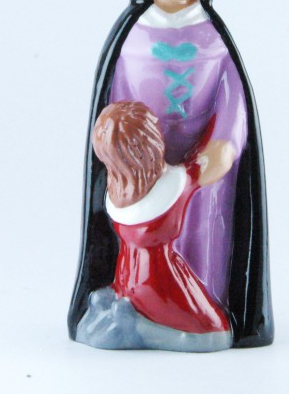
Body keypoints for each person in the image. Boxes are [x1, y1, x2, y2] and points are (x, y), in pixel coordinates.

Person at [69, 0, 274, 349]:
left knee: (202, 245)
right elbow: (115, 103)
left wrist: (222, 145)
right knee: (142, 249)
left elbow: (232, 99)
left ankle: (199, 312)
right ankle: (141, 310)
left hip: (204, 177)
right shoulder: (133, 35)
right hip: (143, 173)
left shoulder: (213, 37)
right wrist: (127, 157)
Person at [75, 101, 232, 351]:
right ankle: (137, 328)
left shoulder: (117, 191)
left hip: (125, 277)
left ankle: (121, 319)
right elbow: (217, 158)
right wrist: (223, 126)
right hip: (159, 284)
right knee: (213, 332)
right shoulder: (175, 183)